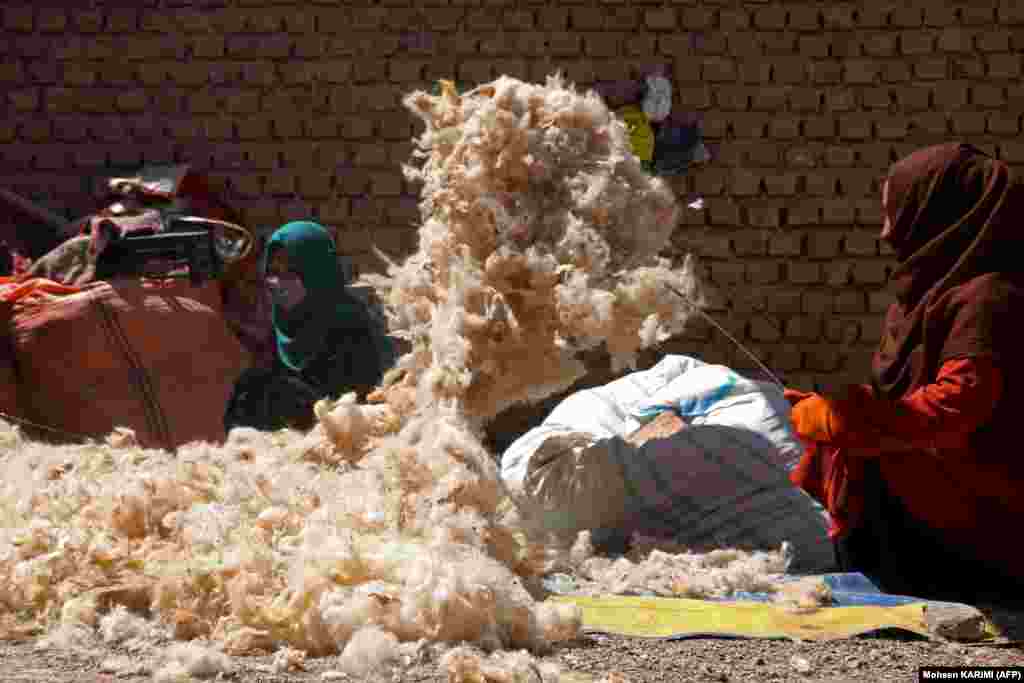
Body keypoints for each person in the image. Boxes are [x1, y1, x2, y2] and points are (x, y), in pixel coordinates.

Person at [785, 143, 1024, 600]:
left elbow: (959, 406)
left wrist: (847, 420)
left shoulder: (988, 299)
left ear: (939, 213)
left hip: (991, 529)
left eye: (895, 212)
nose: (885, 230)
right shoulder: (936, 294)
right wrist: (837, 416)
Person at [224, 221, 395, 433]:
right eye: (272, 272)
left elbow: (357, 405)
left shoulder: (349, 323)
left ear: (315, 273)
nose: (276, 282)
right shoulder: (281, 321)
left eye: (290, 273)